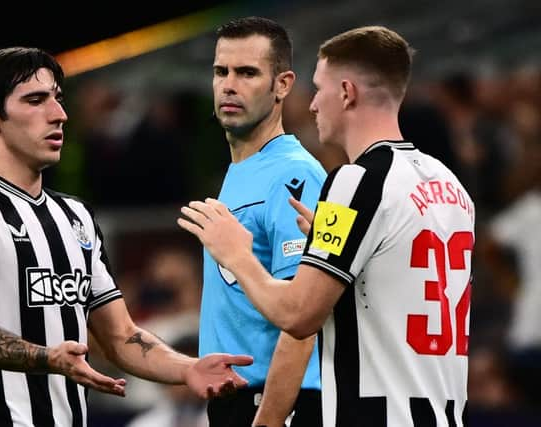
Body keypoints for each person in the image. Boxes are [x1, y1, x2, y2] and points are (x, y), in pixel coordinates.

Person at [0, 46, 252, 427]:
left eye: (58, 100)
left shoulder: (75, 216)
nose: (59, 115)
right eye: (35, 100)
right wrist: (50, 358)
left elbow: (122, 336)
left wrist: (188, 368)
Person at [179, 26, 475, 426]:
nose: (313, 104)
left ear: (347, 93)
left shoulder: (353, 182)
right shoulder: (448, 184)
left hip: (374, 415)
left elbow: (300, 316)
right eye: (221, 72)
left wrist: (237, 255)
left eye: (319, 89)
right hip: (442, 410)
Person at [202, 17, 326, 427]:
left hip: (277, 403)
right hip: (238, 400)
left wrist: (269, 419)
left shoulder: (295, 175)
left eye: (247, 73)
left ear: (283, 85)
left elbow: (303, 318)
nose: (229, 85)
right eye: (221, 71)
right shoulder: (243, 170)